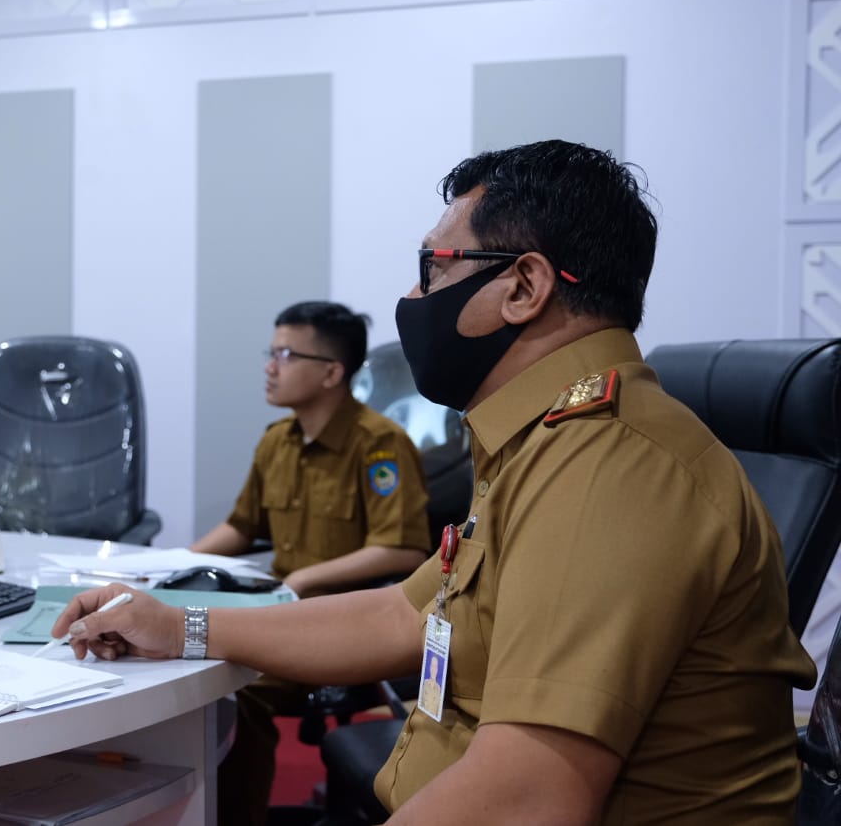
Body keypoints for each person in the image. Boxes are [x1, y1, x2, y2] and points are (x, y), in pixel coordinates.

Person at [52, 140, 817, 824]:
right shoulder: (538, 443)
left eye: (432, 269)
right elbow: (397, 616)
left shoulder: (606, 467)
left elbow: (530, 797)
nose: (414, 302)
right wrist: (178, 623)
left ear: (524, 287)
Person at [189, 300, 431, 824]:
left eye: (284, 354)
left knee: (237, 692)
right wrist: (173, 561)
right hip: (280, 612)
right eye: (270, 352)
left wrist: (304, 578)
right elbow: (240, 528)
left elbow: (405, 549)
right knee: (191, 669)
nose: (269, 367)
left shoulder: (380, 446)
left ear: (331, 372)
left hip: (347, 625)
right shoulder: (277, 442)